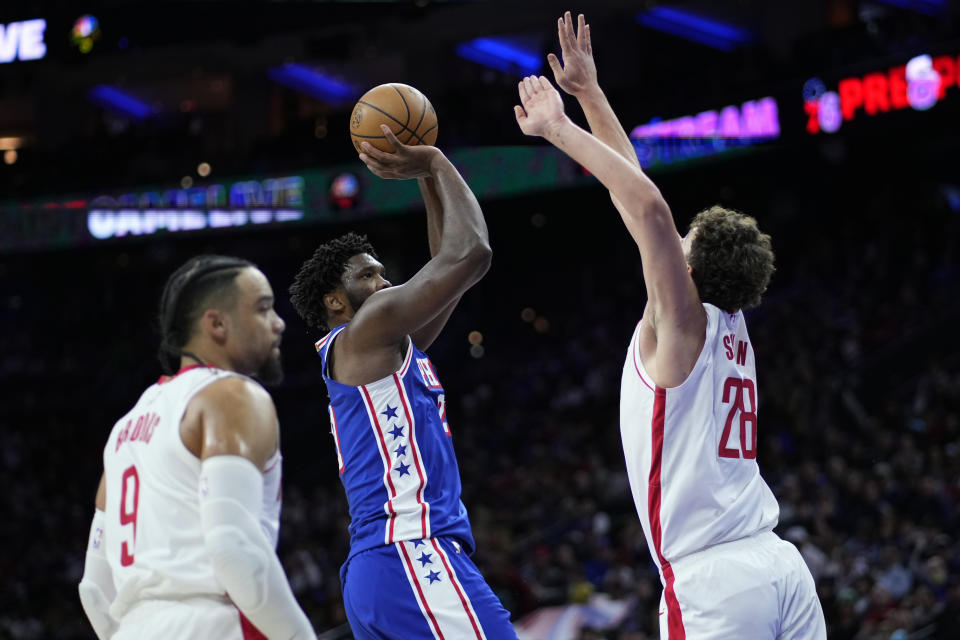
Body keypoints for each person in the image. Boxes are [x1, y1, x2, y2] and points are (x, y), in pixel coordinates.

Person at [514, 12, 827, 639]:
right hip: (779, 563)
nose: (670, 237)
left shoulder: (679, 326)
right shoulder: (728, 320)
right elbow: (636, 196)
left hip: (715, 584)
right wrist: (590, 92)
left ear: (685, 265)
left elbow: (649, 208)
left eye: (682, 240)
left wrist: (558, 127)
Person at [289, 125, 517, 639]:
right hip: (410, 552)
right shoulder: (365, 329)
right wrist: (436, 161)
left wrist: (424, 182)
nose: (384, 282)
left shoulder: (382, 347)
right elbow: (473, 252)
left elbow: (448, 266)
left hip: (381, 568)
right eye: (368, 275)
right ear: (334, 299)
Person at [78, 255, 316, 640]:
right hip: (209, 625)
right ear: (217, 323)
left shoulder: (123, 430)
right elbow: (233, 546)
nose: (279, 322)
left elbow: (94, 590)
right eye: (263, 308)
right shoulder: (231, 395)